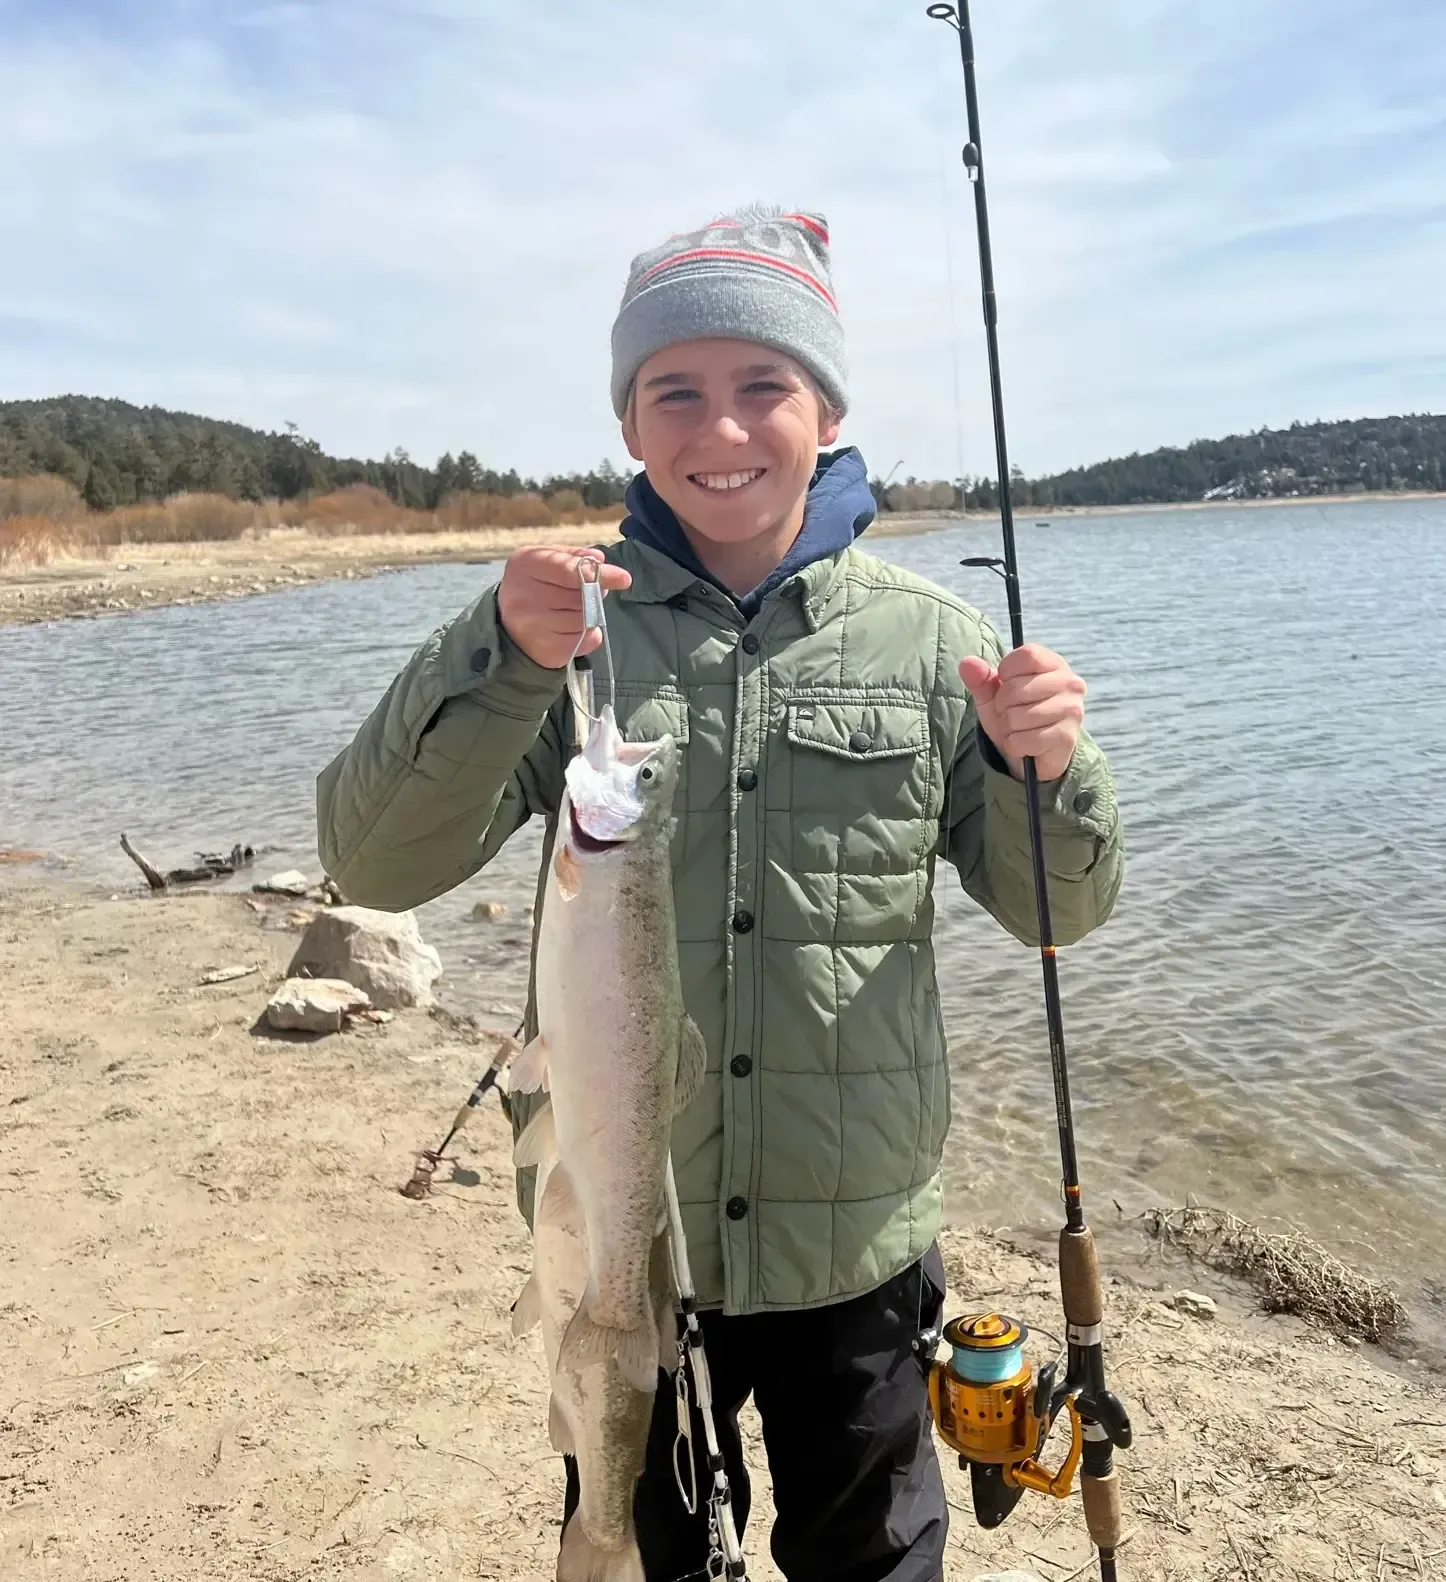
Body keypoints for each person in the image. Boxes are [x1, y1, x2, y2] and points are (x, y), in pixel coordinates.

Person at [316, 205, 1124, 1582]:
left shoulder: (935, 643)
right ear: (629, 424)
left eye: (765, 385)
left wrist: (1044, 765)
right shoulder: (560, 635)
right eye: (674, 392)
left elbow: (1062, 910)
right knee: (645, 1547)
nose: (723, 428)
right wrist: (493, 653)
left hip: (854, 1242)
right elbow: (376, 861)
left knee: (872, 1558)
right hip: (625, 1244)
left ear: (828, 411)